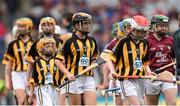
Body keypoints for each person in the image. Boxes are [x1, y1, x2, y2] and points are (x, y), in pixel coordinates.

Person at [105, 15, 155, 105]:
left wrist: (149, 71)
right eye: (138, 31)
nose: (140, 34)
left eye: (143, 32)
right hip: (125, 79)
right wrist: (112, 71)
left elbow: (145, 61)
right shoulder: (123, 42)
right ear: (131, 28)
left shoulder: (145, 43)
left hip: (140, 79)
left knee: (141, 104)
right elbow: (109, 59)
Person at [61, 12, 98, 105]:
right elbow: (58, 60)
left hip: (88, 78)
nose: (88, 26)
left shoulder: (92, 41)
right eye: (85, 23)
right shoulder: (69, 42)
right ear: (76, 25)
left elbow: (94, 55)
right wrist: (67, 74)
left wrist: (94, 61)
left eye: (89, 23)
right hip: (74, 79)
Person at [28, 37, 75, 105]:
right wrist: (31, 94)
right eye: (47, 46)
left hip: (54, 88)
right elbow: (33, 80)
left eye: (52, 46)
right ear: (41, 48)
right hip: (42, 87)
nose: (50, 48)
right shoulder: (37, 62)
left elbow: (62, 77)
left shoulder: (56, 61)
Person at [98, 19, 133, 105]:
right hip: (119, 76)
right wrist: (106, 81)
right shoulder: (112, 44)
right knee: (120, 100)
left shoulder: (133, 42)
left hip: (132, 75)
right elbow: (105, 63)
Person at [145, 14, 177, 105]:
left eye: (166, 26)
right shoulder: (146, 41)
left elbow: (175, 57)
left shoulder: (171, 40)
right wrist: (148, 72)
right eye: (161, 26)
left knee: (172, 103)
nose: (164, 28)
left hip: (168, 76)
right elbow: (143, 61)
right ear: (154, 26)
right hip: (152, 77)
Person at [4, 17, 33, 105]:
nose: (19, 28)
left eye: (22, 26)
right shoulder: (12, 44)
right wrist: (7, 81)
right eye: (19, 26)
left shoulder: (35, 43)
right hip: (17, 74)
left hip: (31, 74)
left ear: (29, 27)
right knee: (22, 101)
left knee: (31, 102)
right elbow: (9, 65)